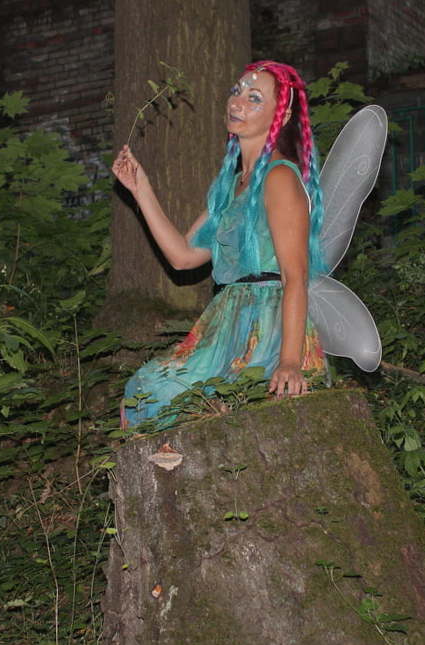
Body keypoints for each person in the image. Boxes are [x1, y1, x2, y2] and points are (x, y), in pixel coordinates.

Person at [111, 60, 328, 428]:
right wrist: (140, 189)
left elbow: (295, 276)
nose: (238, 102)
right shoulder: (230, 185)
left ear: (283, 114)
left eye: (254, 98)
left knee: (196, 403)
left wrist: (290, 361)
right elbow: (183, 257)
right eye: (236, 91)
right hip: (227, 322)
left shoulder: (279, 178)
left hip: (269, 323)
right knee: (146, 390)